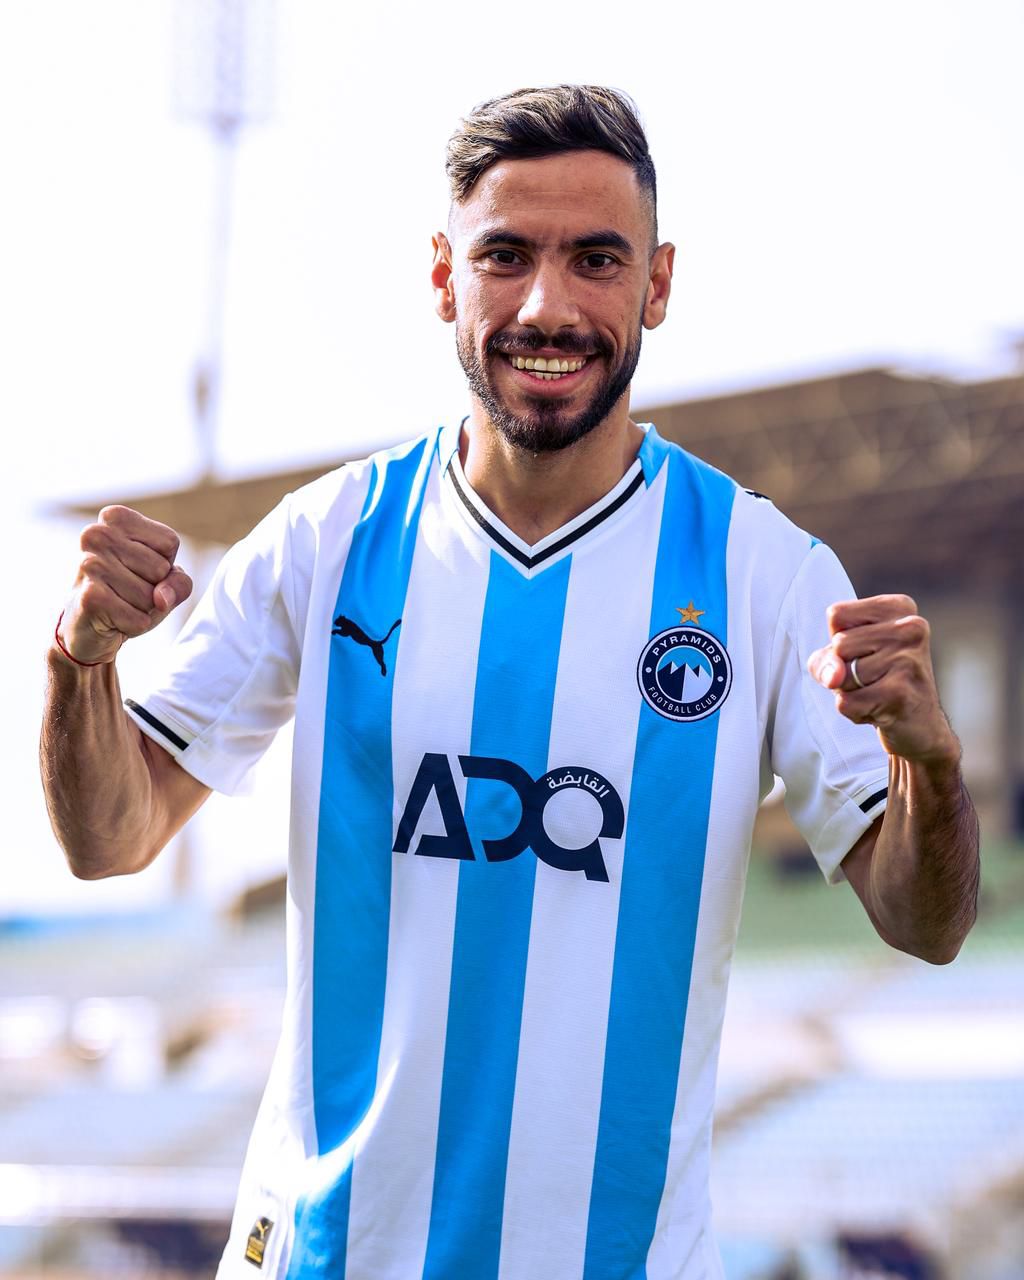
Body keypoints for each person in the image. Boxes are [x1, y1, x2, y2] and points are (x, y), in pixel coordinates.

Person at [41, 85, 979, 1280]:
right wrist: (80, 660)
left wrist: (927, 762)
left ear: (657, 284)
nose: (548, 305)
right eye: (505, 256)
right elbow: (109, 838)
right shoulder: (326, 539)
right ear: (445, 276)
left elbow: (925, 922)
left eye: (596, 259)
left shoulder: (764, 573)